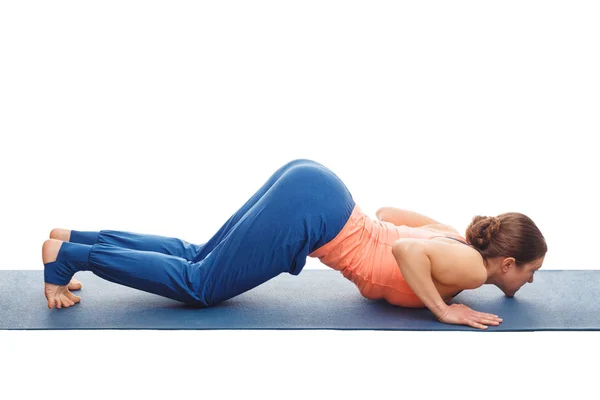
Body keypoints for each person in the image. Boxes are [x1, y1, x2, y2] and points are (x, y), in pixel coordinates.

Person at [42, 158, 547, 330]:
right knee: (200, 284)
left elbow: (390, 219)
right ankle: (68, 258)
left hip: (318, 189)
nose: (529, 280)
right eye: (530, 271)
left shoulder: (456, 241)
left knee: (200, 256)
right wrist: (441, 309)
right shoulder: (472, 271)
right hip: (313, 214)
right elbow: (403, 250)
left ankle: (75, 237)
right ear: (506, 261)